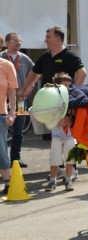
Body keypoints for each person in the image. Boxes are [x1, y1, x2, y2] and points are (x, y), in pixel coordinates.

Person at [17, 26, 87, 142]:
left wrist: (73, 93)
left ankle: (67, 159)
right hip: (49, 103)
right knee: (51, 137)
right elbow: (33, 73)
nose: (45, 40)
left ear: (58, 39)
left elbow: (82, 73)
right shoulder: (45, 56)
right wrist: (24, 90)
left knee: (67, 136)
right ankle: (56, 160)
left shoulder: (69, 55)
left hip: (62, 104)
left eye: (48, 37)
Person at [0, 33, 34, 168]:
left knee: (18, 130)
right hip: (3, 99)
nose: (19, 43)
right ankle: (3, 161)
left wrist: (30, 85)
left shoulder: (25, 58)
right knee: (2, 132)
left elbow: (36, 72)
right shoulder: (2, 57)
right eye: (15, 41)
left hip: (19, 99)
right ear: (7, 43)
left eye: (20, 41)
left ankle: (16, 159)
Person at [45, 73, 76, 191]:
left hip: (70, 135)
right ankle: (52, 181)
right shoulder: (52, 100)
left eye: (69, 85)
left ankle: (68, 180)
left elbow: (76, 115)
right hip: (57, 135)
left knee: (70, 158)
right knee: (55, 158)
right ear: (57, 86)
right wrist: (58, 121)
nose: (68, 88)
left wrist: (71, 119)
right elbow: (49, 116)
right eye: (64, 85)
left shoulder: (73, 99)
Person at [0, 33, 17, 194]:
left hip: (0, 114)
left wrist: (12, 112)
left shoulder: (6, 65)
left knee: (1, 149)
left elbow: (12, 92)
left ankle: (6, 181)